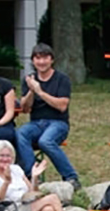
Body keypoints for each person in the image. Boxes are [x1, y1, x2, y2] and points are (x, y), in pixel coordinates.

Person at [16, 44, 81, 190]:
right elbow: (25, 109)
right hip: (36, 123)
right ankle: (31, 175)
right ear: (33, 61)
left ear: (51, 59)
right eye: (37, 58)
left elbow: (62, 106)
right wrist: (31, 91)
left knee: (46, 141)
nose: (41, 62)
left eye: (45, 58)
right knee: (20, 134)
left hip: (58, 123)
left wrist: (40, 92)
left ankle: (71, 177)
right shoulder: (29, 80)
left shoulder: (62, 79)